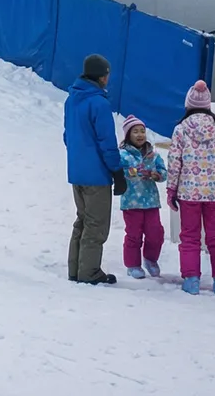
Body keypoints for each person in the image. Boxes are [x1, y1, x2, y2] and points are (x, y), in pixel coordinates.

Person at [166, 80, 215, 296]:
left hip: (189, 193)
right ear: (208, 106)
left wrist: (171, 190)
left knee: (189, 236)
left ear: (188, 105)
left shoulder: (180, 130)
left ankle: (191, 279)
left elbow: (174, 163)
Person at [63, 53, 123, 285]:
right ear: (101, 76)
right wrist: (116, 171)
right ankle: (89, 272)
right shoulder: (99, 103)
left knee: (82, 220)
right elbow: (106, 141)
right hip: (96, 175)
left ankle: (75, 269)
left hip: (76, 172)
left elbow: (68, 136)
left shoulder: (72, 100)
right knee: (96, 225)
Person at [118, 115, 166, 280]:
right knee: (133, 234)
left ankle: (151, 259)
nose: (140, 135)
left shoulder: (152, 155)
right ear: (128, 135)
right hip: (131, 203)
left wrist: (156, 175)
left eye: (142, 131)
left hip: (151, 202)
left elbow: (163, 173)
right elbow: (117, 173)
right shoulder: (123, 155)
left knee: (156, 233)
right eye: (135, 132)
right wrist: (129, 172)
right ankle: (132, 265)